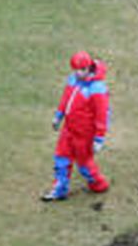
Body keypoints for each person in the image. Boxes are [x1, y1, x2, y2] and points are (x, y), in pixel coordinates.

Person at [42, 50, 110, 201]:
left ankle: (98, 184)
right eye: (76, 70)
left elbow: (102, 115)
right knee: (61, 158)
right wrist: (58, 116)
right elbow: (66, 98)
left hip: (85, 135)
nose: (78, 73)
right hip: (69, 129)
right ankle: (59, 188)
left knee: (84, 164)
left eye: (81, 70)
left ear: (89, 67)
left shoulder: (97, 89)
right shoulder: (73, 80)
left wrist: (99, 138)